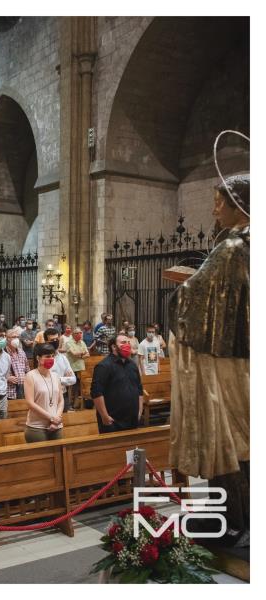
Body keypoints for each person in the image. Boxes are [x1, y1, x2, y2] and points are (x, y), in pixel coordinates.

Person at [168, 173, 249, 543]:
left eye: (220, 201)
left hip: (225, 360)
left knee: (226, 438)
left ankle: (232, 523)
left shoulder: (233, 247)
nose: (214, 208)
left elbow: (196, 294)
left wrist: (183, 285)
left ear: (239, 204)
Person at [91, 334, 144, 434]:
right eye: (123, 343)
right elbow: (96, 393)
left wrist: (139, 411)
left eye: (128, 343)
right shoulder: (104, 366)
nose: (127, 345)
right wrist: (104, 416)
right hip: (113, 421)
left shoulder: (132, 365)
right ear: (114, 347)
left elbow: (139, 389)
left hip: (132, 419)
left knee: (132, 449)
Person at [23, 343, 64, 442]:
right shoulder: (31, 376)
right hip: (37, 427)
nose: (51, 359)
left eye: (53, 356)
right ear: (38, 358)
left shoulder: (55, 376)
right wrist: (51, 418)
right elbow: (30, 403)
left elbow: (60, 400)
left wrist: (56, 419)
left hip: (56, 426)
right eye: (47, 356)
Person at [43, 328, 77, 410]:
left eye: (56, 339)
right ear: (46, 342)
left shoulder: (63, 358)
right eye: (52, 340)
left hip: (63, 394)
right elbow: (47, 380)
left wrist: (57, 379)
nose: (55, 341)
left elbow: (73, 379)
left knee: (64, 421)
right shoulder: (43, 358)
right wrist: (65, 378)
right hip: (48, 396)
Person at [65, 327, 90, 409]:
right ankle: (69, 404)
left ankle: (76, 404)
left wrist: (80, 355)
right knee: (71, 386)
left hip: (81, 368)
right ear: (73, 334)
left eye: (80, 333)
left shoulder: (82, 342)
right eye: (77, 333)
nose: (80, 334)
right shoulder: (69, 343)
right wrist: (82, 353)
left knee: (79, 387)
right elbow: (74, 353)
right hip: (72, 367)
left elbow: (88, 354)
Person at [6, 327, 29, 400]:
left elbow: (27, 369)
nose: (16, 339)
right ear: (7, 339)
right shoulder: (2, 353)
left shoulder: (21, 352)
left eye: (17, 337)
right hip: (9, 391)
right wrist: (6, 378)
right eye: (13, 337)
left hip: (22, 389)